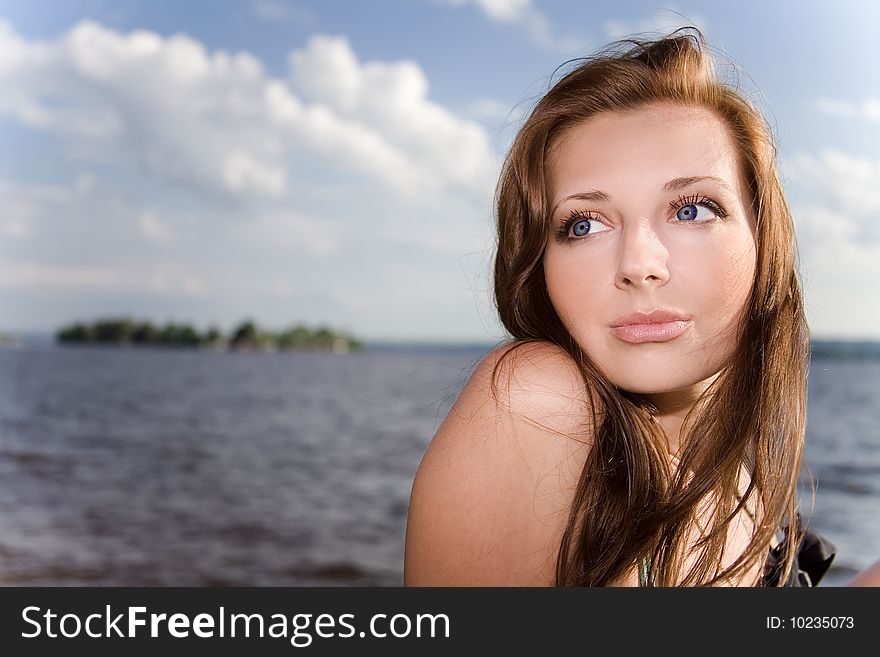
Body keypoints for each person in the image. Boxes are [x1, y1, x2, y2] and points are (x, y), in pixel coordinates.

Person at [403, 27, 880, 587]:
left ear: (763, 242)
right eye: (583, 224)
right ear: (540, 264)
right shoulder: (537, 402)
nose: (639, 262)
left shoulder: (742, 482)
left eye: (692, 210)